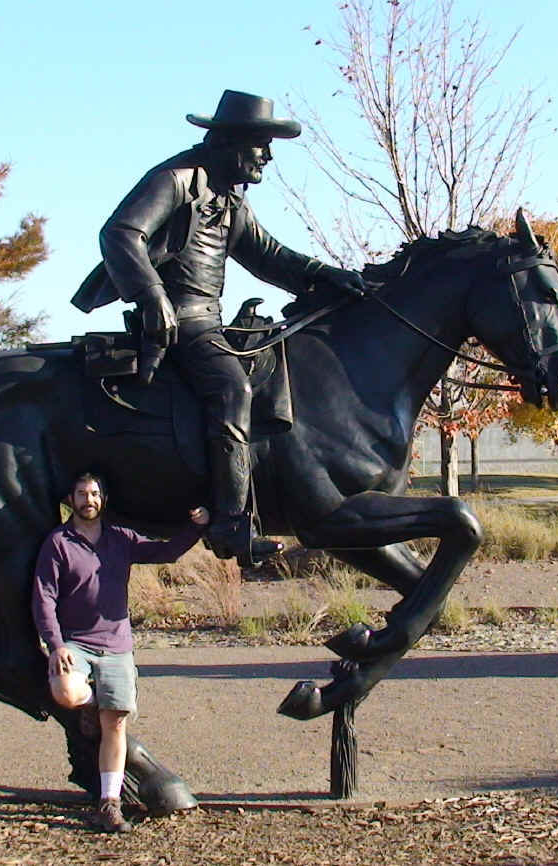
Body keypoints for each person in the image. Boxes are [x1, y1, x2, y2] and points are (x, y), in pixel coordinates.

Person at [71, 89, 367, 567]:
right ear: (232, 142)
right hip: (182, 321)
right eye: (261, 145)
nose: (268, 156)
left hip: (209, 319)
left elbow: (269, 256)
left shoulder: (229, 198)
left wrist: (324, 274)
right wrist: (152, 296)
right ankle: (231, 524)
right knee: (233, 391)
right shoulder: (176, 179)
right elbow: (121, 233)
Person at [31, 471, 209, 833]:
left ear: (103, 499)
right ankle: (90, 704)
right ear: (72, 500)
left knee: (116, 725)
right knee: (65, 691)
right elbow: (44, 596)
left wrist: (198, 527)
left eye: (94, 494)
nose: (88, 500)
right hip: (76, 644)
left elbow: (166, 551)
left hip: (116, 647)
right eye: (82, 494)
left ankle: (109, 804)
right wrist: (56, 644)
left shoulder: (120, 539)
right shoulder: (58, 543)